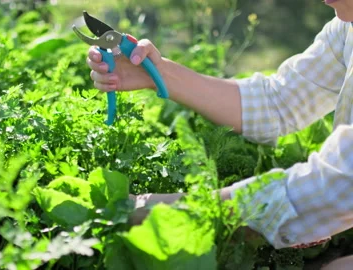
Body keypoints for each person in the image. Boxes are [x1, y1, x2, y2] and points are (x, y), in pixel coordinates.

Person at [86, 1, 353, 269]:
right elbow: (277, 102)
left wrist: (174, 211)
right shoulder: (347, 26)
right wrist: (157, 73)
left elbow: (337, 186)